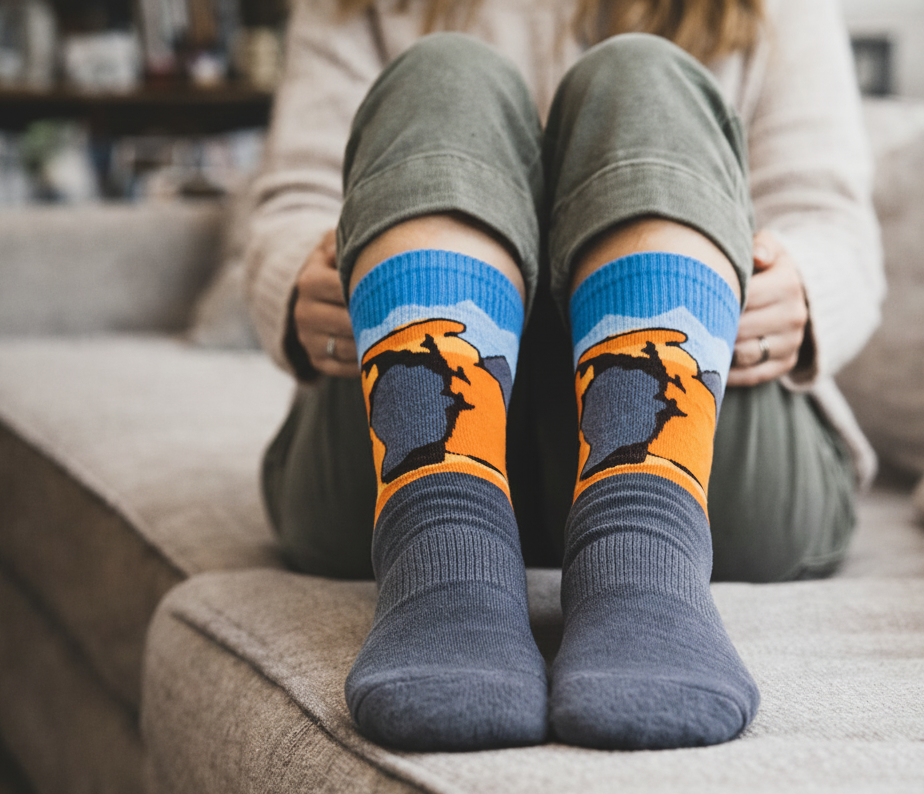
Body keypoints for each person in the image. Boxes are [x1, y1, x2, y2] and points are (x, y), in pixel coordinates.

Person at [245, 0, 884, 753]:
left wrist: (802, 286)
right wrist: (297, 276)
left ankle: (647, 559)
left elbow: (835, 219)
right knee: (446, 74)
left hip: (709, 437)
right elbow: (293, 201)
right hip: (406, 431)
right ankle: (441, 549)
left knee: (640, 74)